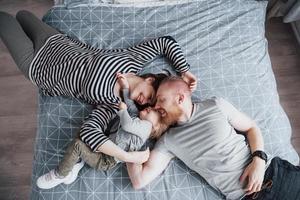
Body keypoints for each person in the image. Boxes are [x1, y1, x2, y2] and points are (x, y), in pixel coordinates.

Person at [0, 11, 197, 163]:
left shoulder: (113, 105)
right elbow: (165, 43)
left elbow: (89, 133)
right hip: (56, 42)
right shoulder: (131, 60)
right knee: (23, 15)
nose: (144, 103)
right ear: (150, 80)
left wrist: (127, 157)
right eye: (151, 96)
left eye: (147, 105)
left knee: (5, 20)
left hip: (39, 67)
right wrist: (185, 71)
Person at [126, 76, 300, 200]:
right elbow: (138, 180)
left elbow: (251, 127)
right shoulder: (168, 141)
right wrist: (136, 133)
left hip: (276, 175)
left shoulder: (216, 105)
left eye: (161, 100)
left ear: (180, 98)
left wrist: (259, 160)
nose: (156, 106)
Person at [36, 73, 170, 189]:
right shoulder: (138, 116)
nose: (150, 108)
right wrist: (125, 88)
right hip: (104, 146)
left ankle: (61, 174)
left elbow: (128, 125)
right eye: (152, 107)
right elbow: (129, 103)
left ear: (157, 126)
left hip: (106, 159)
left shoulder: (146, 128)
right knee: (82, 134)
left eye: (155, 112)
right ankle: (76, 165)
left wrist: (123, 111)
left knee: (77, 145)